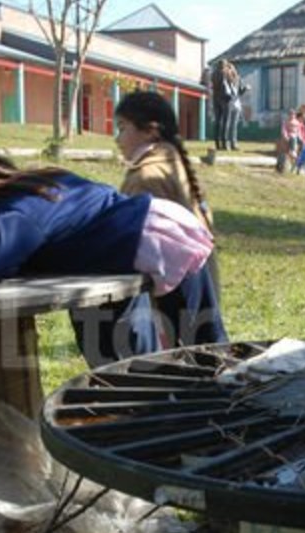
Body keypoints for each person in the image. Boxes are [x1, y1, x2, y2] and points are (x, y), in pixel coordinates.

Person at [0, 133, 227, 366]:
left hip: (155, 239)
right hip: (150, 234)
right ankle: (167, 399)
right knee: (135, 346)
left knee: (205, 346)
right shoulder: (35, 183)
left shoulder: (19, 212)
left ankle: (228, 398)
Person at [114, 90, 227, 349]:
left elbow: (140, 248)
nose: (117, 139)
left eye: (122, 128)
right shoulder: (171, 162)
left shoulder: (146, 177)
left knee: (184, 374)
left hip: (173, 298)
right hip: (199, 291)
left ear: (150, 131)